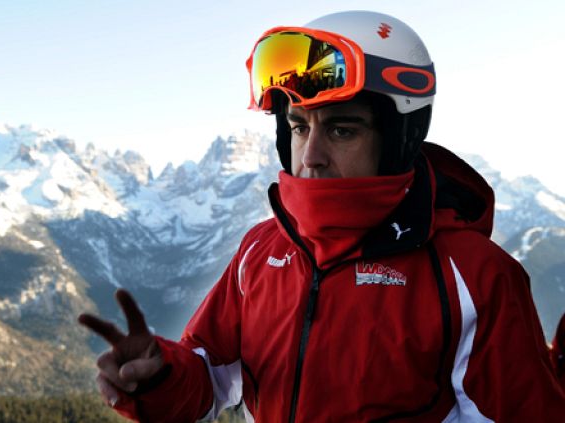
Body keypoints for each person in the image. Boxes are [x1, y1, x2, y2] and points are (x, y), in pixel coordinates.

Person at [78, 10, 565, 422]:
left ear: (400, 140)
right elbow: (209, 376)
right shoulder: (260, 250)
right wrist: (160, 375)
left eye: (342, 130)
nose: (310, 155)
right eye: (297, 126)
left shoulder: (476, 276)